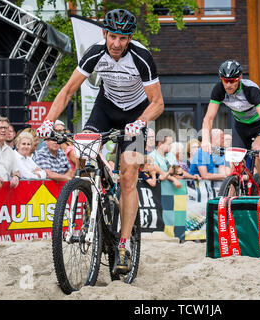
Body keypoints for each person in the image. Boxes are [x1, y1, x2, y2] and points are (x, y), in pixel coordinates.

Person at [36, 9, 164, 274]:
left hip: (137, 114)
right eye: (112, 37)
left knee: (129, 177)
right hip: (105, 108)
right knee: (83, 154)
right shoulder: (95, 52)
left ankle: (124, 245)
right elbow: (69, 89)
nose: (117, 44)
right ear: (104, 34)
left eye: (123, 38)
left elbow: (157, 103)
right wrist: (49, 120)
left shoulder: (142, 57)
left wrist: (140, 122)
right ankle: (91, 197)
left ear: (130, 39)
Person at [201, 59, 260, 196]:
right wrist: (206, 140)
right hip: (240, 126)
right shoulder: (219, 89)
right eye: (225, 80)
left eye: (232, 81)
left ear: (239, 79)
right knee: (235, 168)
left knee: (258, 150)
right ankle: (229, 205)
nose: (228, 85)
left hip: (259, 126)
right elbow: (208, 118)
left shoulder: (250, 89)